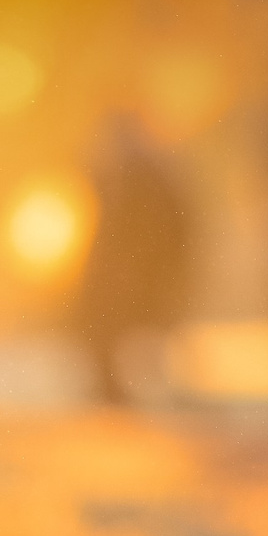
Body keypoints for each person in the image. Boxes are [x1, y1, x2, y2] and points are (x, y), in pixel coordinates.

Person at [75, 115, 191, 404]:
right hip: (118, 265)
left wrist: (155, 263)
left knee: (123, 323)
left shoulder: (145, 175)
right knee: (103, 324)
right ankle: (110, 383)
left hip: (134, 266)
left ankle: (146, 383)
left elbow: (168, 223)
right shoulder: (115, 172)